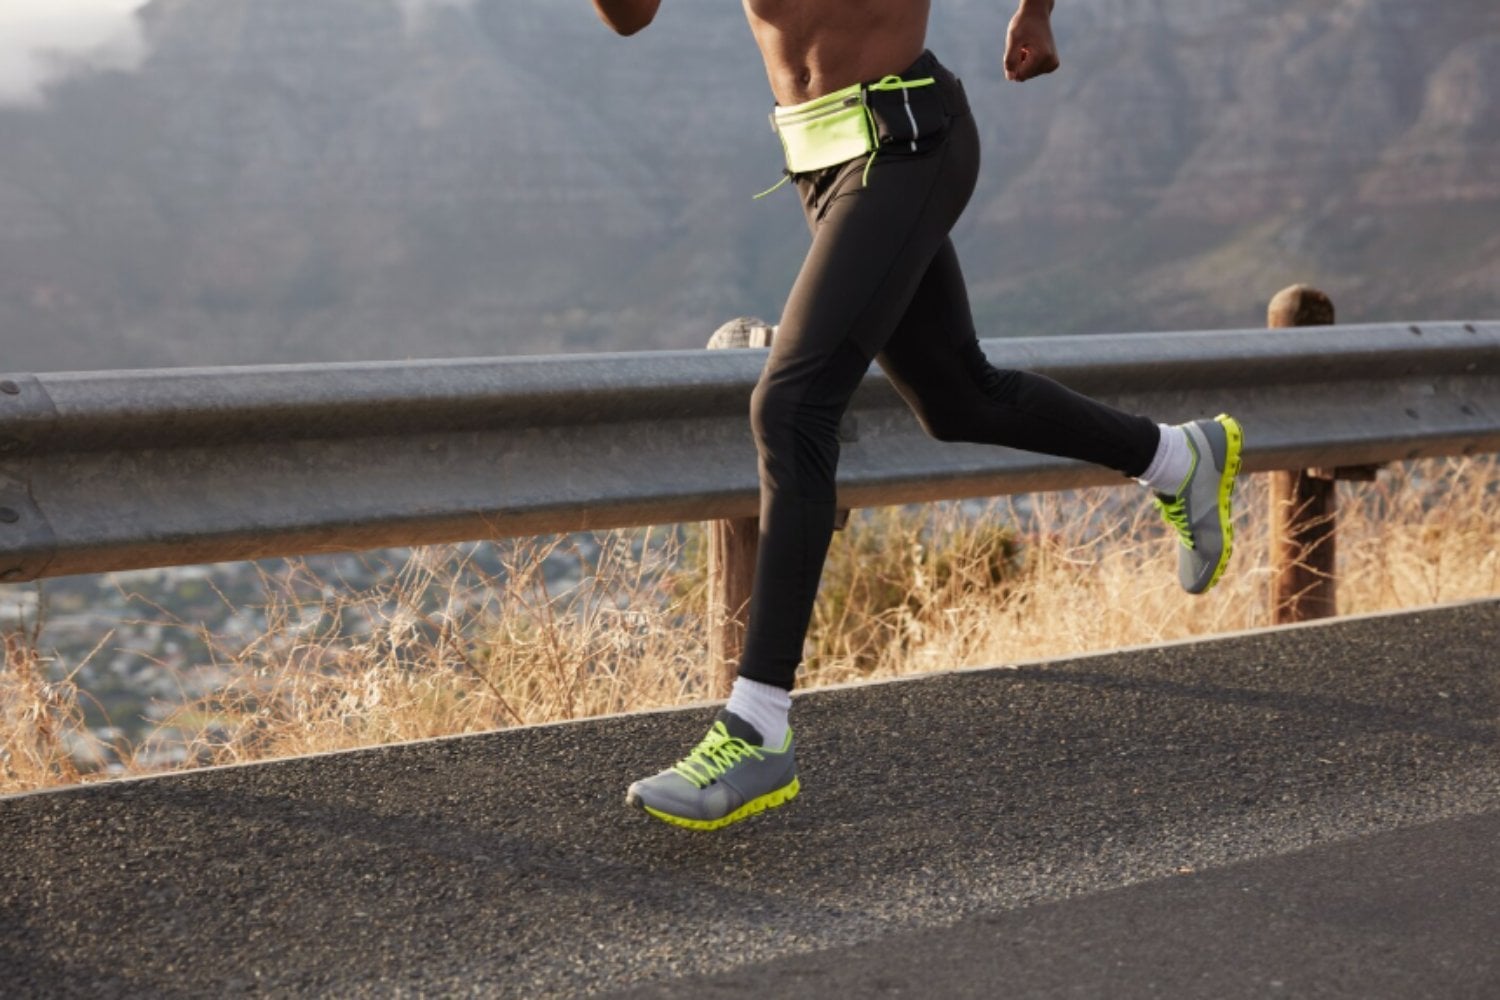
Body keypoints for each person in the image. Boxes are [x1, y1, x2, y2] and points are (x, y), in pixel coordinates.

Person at [589, 0, 1243, 830]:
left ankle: (757, 728)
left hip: (908, 141)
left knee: (791, 405)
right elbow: (632, 18)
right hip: (819, 161)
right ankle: (1176, 458)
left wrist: (1036, 14)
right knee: (956, 396)